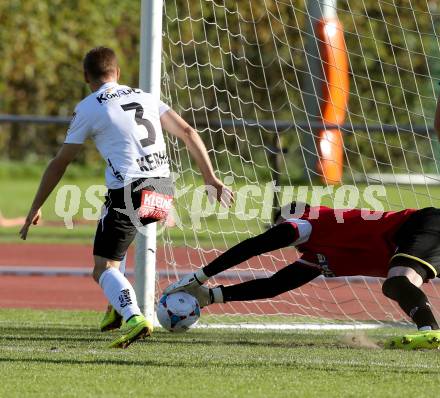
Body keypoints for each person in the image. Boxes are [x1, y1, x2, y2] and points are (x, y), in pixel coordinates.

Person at [20, 46, 233, 349]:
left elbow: (60, 162)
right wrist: (210, 178)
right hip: (163, 190)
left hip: (130, 191)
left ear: (85, 77)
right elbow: (187, 131)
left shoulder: (89, 106)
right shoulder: (145, 97)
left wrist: (36, 206)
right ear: (117, 73)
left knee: (103, 268)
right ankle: (115, 310)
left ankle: (133, 317)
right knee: (113, 255)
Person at [165, 202, 440, 350]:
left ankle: (430, 332)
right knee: (397, 283)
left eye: (278, 227)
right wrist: (212, 296)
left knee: (398, 282)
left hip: (421, 225)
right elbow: (275, 286)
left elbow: (257, 244)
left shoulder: (308, 222)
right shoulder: (316, 255)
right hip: (418, 237)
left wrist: (202, 275)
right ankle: (430, 336)